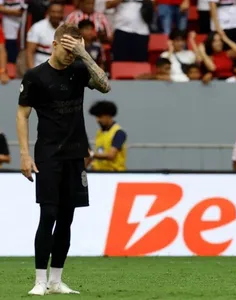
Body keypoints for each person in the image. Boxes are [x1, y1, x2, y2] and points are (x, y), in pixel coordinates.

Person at [16, 23, 110, 296]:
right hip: (48, 155)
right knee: (49, 215)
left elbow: (105, 86)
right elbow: (22, 115)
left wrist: (85, 55)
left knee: (67, 218)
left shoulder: (79, 70)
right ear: (54, 44)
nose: (71, 54)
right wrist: (24, 154)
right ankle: (39, 280)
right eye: (69, 49)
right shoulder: (35, 76)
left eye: (76, 49)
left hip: (75, 155)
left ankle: (56, 280)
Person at [87, 100, 127, 171]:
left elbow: (111, 155)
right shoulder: (99, 133)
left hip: (114, 175)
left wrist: (91, 154)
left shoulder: (119, 133)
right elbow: (98, 155)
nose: (97, 120)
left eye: (99, 116)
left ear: (108, 115)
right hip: (99, 174)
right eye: (96, 117)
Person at [26, 1, 64, 69]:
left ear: (62, 13)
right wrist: (32, 72)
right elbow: (29, 52)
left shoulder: (66, 28)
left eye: (59, 12)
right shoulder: (37, 27)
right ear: (48, 12)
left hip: (61, 67)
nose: (56, 15)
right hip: (40, 66)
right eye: (53, 12)